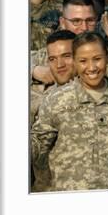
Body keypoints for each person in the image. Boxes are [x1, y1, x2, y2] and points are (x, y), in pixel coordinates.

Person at [31, 32, 108, 191]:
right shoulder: (57, 99)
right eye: (83, 61)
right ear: (74, 62)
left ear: (107, 58)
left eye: (97, 59)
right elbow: (37, 144)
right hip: (71, 198)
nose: (92, 67)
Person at [30, 30, 76, 192]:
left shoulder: (102, 93)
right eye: (52, 59)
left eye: (66, 56)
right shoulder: (41, 101)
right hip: (47, 192)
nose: (59, 65)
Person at [31, 0, 99, 85]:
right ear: (62, 22)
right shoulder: (47, 54)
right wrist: (33, 70)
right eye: (76, 21)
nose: (84, 27)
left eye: (90, 20)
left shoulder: (104, 56)